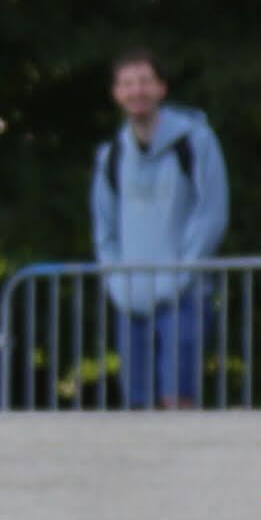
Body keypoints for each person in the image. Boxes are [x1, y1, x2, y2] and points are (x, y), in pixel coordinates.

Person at [89, 51, 225, 408]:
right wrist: (116, 281)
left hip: (184, 294)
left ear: (162, 88)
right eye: (127, 83)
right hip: (129, 296)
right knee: (136, 403)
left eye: (145, 81)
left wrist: (180, 273)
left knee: (177, 398)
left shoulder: (194, 142)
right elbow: (104, 226)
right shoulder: (112, 154)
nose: (137, 90)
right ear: (116, 93)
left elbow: (211, 213)